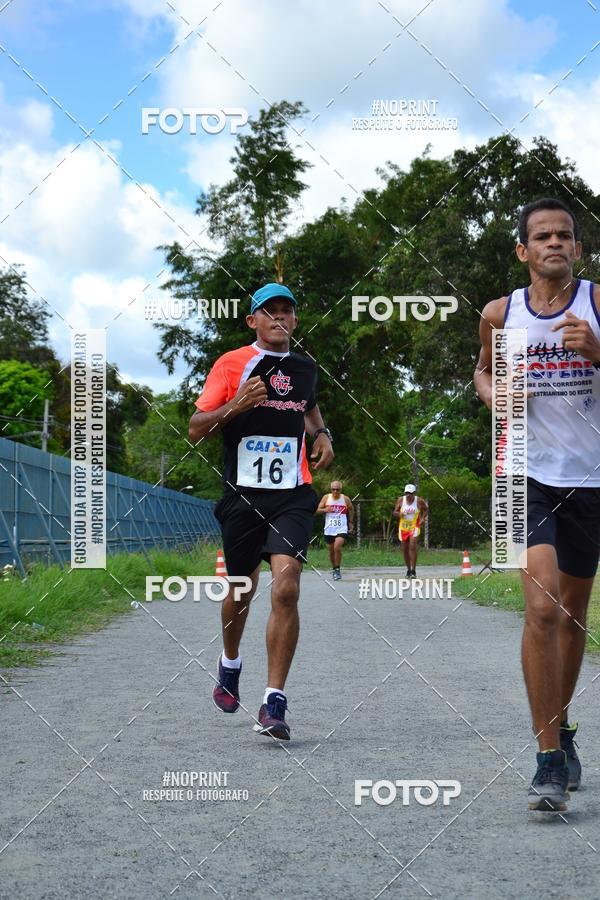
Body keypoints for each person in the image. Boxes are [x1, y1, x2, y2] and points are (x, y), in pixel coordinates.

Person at [474, 197, 600, 811]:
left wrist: (598, 352)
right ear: (523, 250)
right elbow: (482, 372)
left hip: (590, 478)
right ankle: (548, 757)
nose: (555, 243)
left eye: (565, 235)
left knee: (572, 614)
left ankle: (563, 726)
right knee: (542, 604)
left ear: (577, 247)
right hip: (519, 473)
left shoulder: (597, 304)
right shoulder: (500, 314)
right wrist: (494, 395)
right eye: (543, 236)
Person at [189, 282, 334, 740]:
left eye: (286, 311)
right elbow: (196, 429)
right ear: (252, 321)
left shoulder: (305, 368)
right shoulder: (232, 364)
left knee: (286, 587)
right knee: (241, 589)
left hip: (293, 493)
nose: (279, 318)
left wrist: (322, 434)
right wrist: (237, 405)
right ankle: (230, 662)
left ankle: (274, 701)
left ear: (295, 320)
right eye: (269, 312)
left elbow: (309, 406)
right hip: (243, 496)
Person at [316, 480, 354, 580]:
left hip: (342, 528)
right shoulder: (326, 498)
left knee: (337, 547)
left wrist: (350, 522)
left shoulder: (345, 499)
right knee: (331, 551)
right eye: (333, 489)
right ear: (331, 489)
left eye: (337, 489)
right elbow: (317, 510)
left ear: (341, 489)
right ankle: (334, 569)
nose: (335, 491)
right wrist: (325, 510)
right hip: (329, 528)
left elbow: (351, 509)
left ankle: (337, 570)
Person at [392, 484, 427, 577]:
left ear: (414, 493)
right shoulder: (401, 500)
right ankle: (408, 570)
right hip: (403, 527)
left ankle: (413, 570)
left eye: (410, 493)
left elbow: (425, 509)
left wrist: (422, 519)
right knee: (405, 549)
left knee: (413, 546)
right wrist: (399, 514)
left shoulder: (419, 501)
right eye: (406, 493)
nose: (408, 495)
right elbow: (394, 512)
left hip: (414, 526)